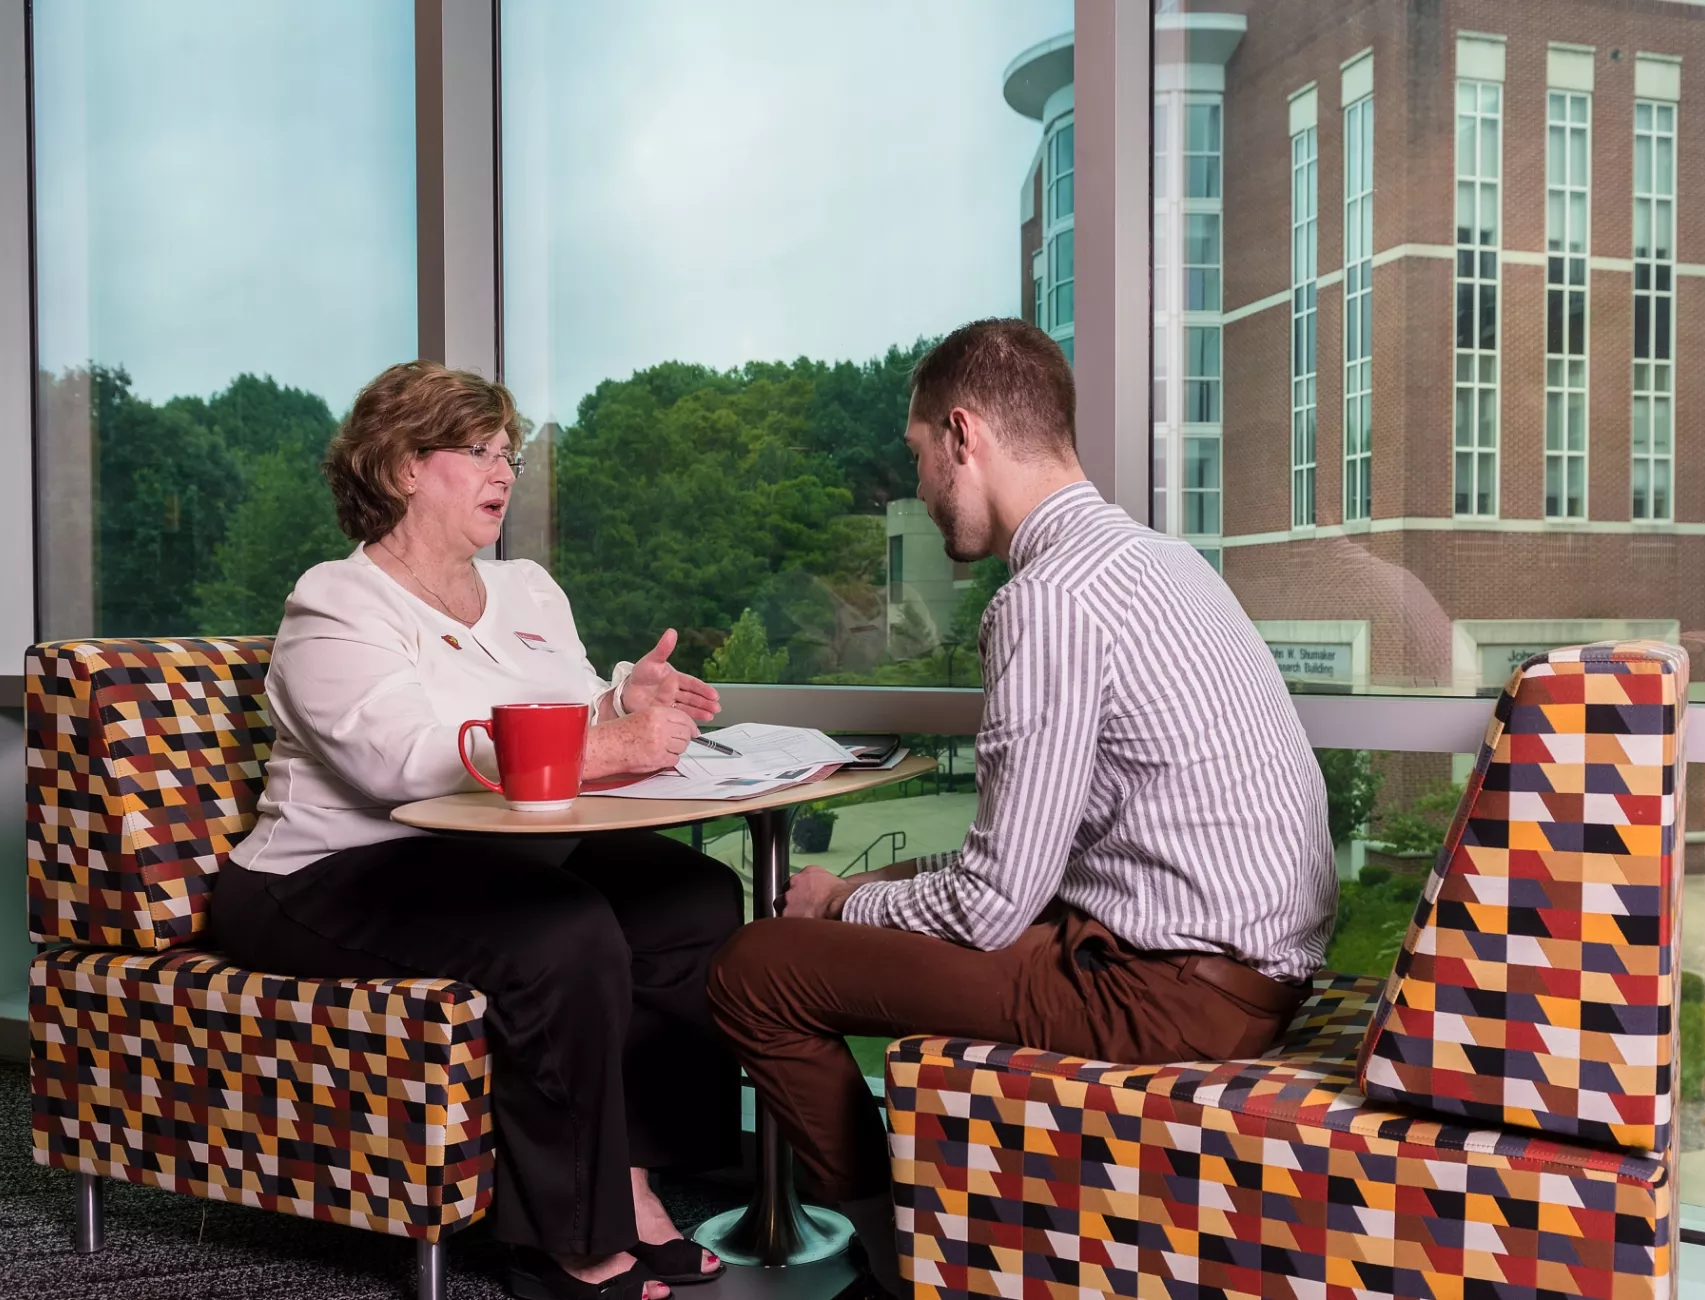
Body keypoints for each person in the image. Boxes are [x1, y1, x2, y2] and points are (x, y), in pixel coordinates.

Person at [707, 319, 1337, 1298]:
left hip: (1168, 993)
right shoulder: (1161, 564)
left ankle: (891, 1261)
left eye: (917, 456)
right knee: (845, 923)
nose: (916, 490)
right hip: (1246, 967)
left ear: (963, 435)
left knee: (754, 971)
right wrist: (873, 886)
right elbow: (1029, 856)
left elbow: (995, 903)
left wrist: (837, 905)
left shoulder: (1047, 598)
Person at [213, 361, 738, 1300]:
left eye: (511, 454)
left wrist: (623, 696)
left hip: (485, 852)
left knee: (689, 895)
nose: (504, 472)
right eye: (479, 452)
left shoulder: (527, 587)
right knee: (560, 931)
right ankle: (568, 1245)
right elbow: (401, 763)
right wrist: (608, 742)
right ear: (405, 466)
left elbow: (568, 701)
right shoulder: (335, 602)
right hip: (329, 872)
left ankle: (631, 1181)